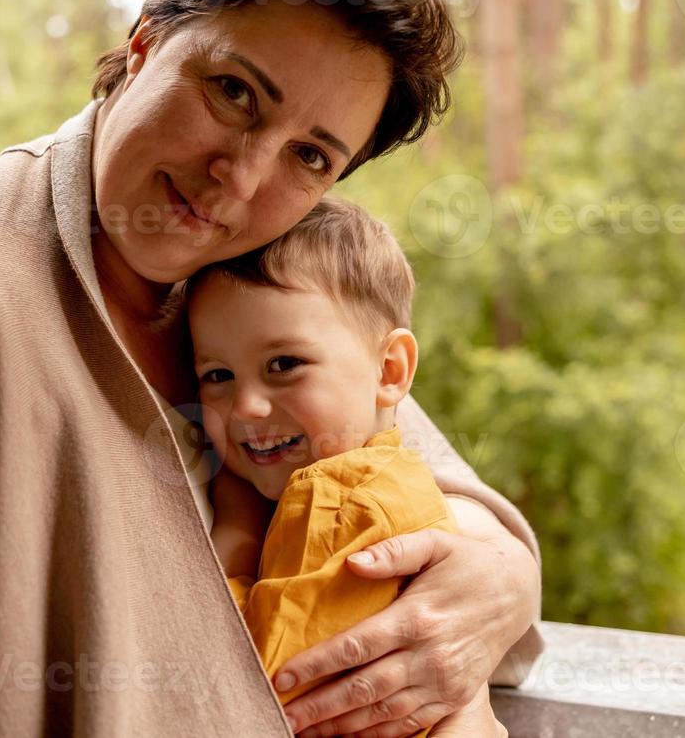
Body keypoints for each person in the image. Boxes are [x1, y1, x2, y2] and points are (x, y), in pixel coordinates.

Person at [0, 0, 542, 737]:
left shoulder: (259, 290)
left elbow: (421, 470)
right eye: (234, 93)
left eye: (310, 156)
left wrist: (498, 575)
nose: (238, 177)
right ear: (144, 43)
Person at [190, 196, 508, 737]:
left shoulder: (338, 498)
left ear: (389, 369)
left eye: (284, 365)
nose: (246, 407)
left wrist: (230, 539)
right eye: (218, 375)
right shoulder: (390, 482)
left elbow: (270, 686)